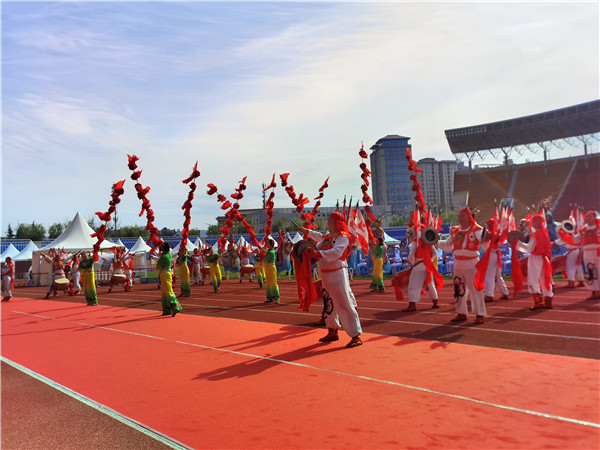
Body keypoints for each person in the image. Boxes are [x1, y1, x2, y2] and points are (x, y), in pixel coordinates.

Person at [300, 212, 363, 348]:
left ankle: (355, 335)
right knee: (328, 303)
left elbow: (336, 252)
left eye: (330, 221)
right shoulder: (328, 237)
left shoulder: (343, 237)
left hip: (338, 274)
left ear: (337, 223)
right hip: (326, 275)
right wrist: (307, 233)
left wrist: (318, 253)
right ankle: (332, 330)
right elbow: (318, 238)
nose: (327, 223)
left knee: (343, 303)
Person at [437, 208, 487, 324]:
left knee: (475, 289)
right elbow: (447, 246)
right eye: (459, 216)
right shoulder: (456, 231)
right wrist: (435, 242)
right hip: (458, 263)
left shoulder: (477, 230)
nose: (460, 218)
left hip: (472, 263)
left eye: (463, 216)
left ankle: (480, 314)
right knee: (458, 288)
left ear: (469, 218)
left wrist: (490, 240)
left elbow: (485, 242)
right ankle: (461, 313)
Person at [516, 213, 554, 309]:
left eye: (533, 221)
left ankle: (538, 302)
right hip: (544, 258)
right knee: (545, 280)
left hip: (536, 258)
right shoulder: (545, 233)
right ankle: (548, 301)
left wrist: (517, 243)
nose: (531, 223)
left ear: (537, 223)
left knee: (533, 280)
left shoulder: (535, 235)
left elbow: (529, 248)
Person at [403, 228, 440, 311]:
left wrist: (413, 262)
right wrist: (429, 261)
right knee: (430, 284)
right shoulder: (428, 241)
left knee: (413, 285)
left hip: (418, 264)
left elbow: (412, 254)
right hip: (427, 264)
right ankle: (435, 301)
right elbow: (435, 253)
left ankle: (412, 304)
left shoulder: (415, 241)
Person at [479, 218, 509, 302]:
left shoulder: (490, 234)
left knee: (489, 275)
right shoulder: (497, 233)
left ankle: (489, 295)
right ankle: (505, 292)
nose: (487, 227)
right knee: (498, 276)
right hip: (496, 254)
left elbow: (483, 242)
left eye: (488, 225)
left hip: (491, 254)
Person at [575, 211, 600, 299]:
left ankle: (599, 291)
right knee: (590, 271)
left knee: (599, 271)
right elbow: (577, 239)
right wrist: (567, 236)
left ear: (594, 217)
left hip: (598, 252)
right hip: (587, 252)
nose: (588, 218)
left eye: (590, 216)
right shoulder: (583, 229)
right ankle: (593, 291)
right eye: (587, 216)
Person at [156, 242, 182, 316]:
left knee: (167, 291)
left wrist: (158, 273)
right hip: (168, 274)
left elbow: (158, 267)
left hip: (164, 274)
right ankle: (167, 309)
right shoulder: (169, 255)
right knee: (165, 291)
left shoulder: (163, 257)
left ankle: (176, 306)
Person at [263, 239, 280, 303]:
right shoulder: (270, 251)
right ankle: (270, 297)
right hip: (268, 268)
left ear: (271, 245)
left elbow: (265, 261)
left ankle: (276, 297)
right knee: (268, 283)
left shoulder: (270, 252)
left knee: (273, 283)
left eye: (267, 243)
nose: (266, 244)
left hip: (271, 268)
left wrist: (260, 265)